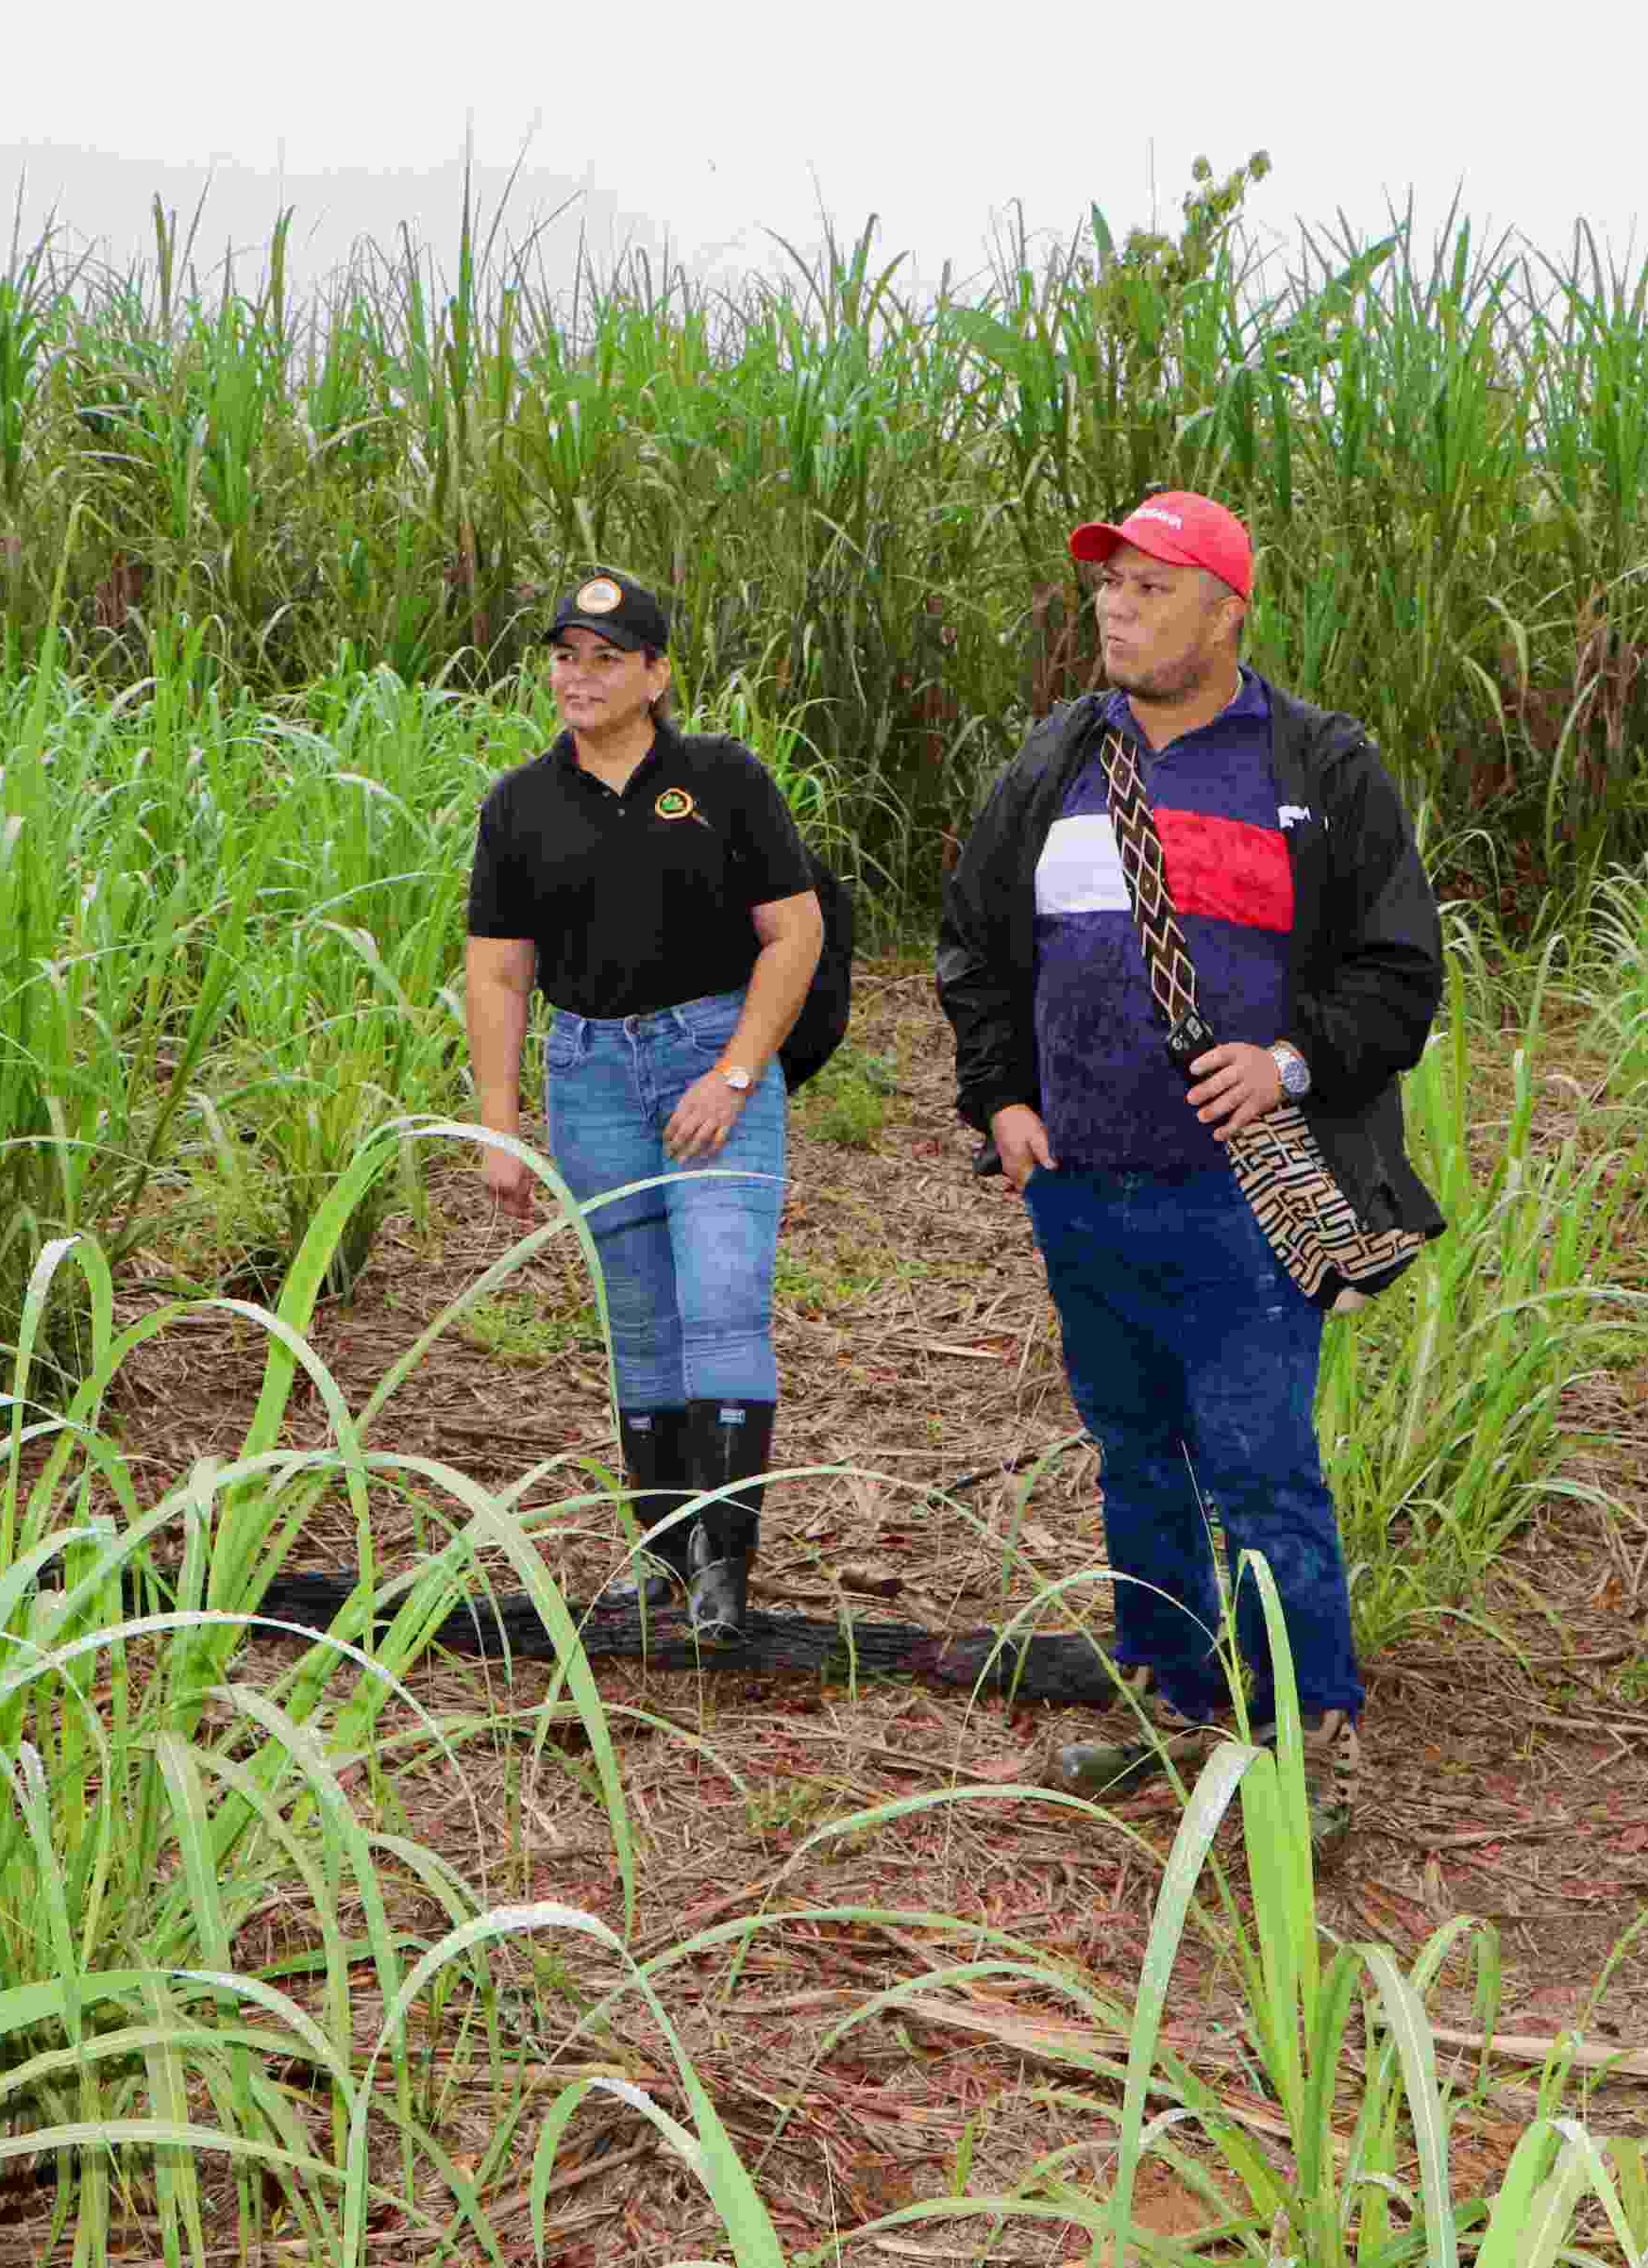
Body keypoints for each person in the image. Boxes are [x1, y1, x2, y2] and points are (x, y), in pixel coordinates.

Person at [937, 490, 1447, 1809]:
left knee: (1259, 1463)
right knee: (1134, 1454)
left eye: (1151, 586)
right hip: (1084, 1187)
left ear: (1228, 612)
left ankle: (1305, 1742)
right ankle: (1171, 1705)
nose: (1117, 605)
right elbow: (977, 950)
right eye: (1108, 583)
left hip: (1243, 1196)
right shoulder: (1054, 760)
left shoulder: (1319, 770)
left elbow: (1401, 975)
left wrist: (1287, 1060)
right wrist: (999, 1099)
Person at [463, 569, 825, 1646]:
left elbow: (794, 934)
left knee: (718, 1297)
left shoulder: (721, 779)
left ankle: (725, 1571)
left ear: (656, 675)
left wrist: (736, 1071)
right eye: (565, 654)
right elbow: (496, 973)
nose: (579, 675)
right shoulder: (521, 803)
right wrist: (500, 1115)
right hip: (590, 1072)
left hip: (708, 1057)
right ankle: (664, 1565)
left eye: (606, 656)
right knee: (638, 1319)